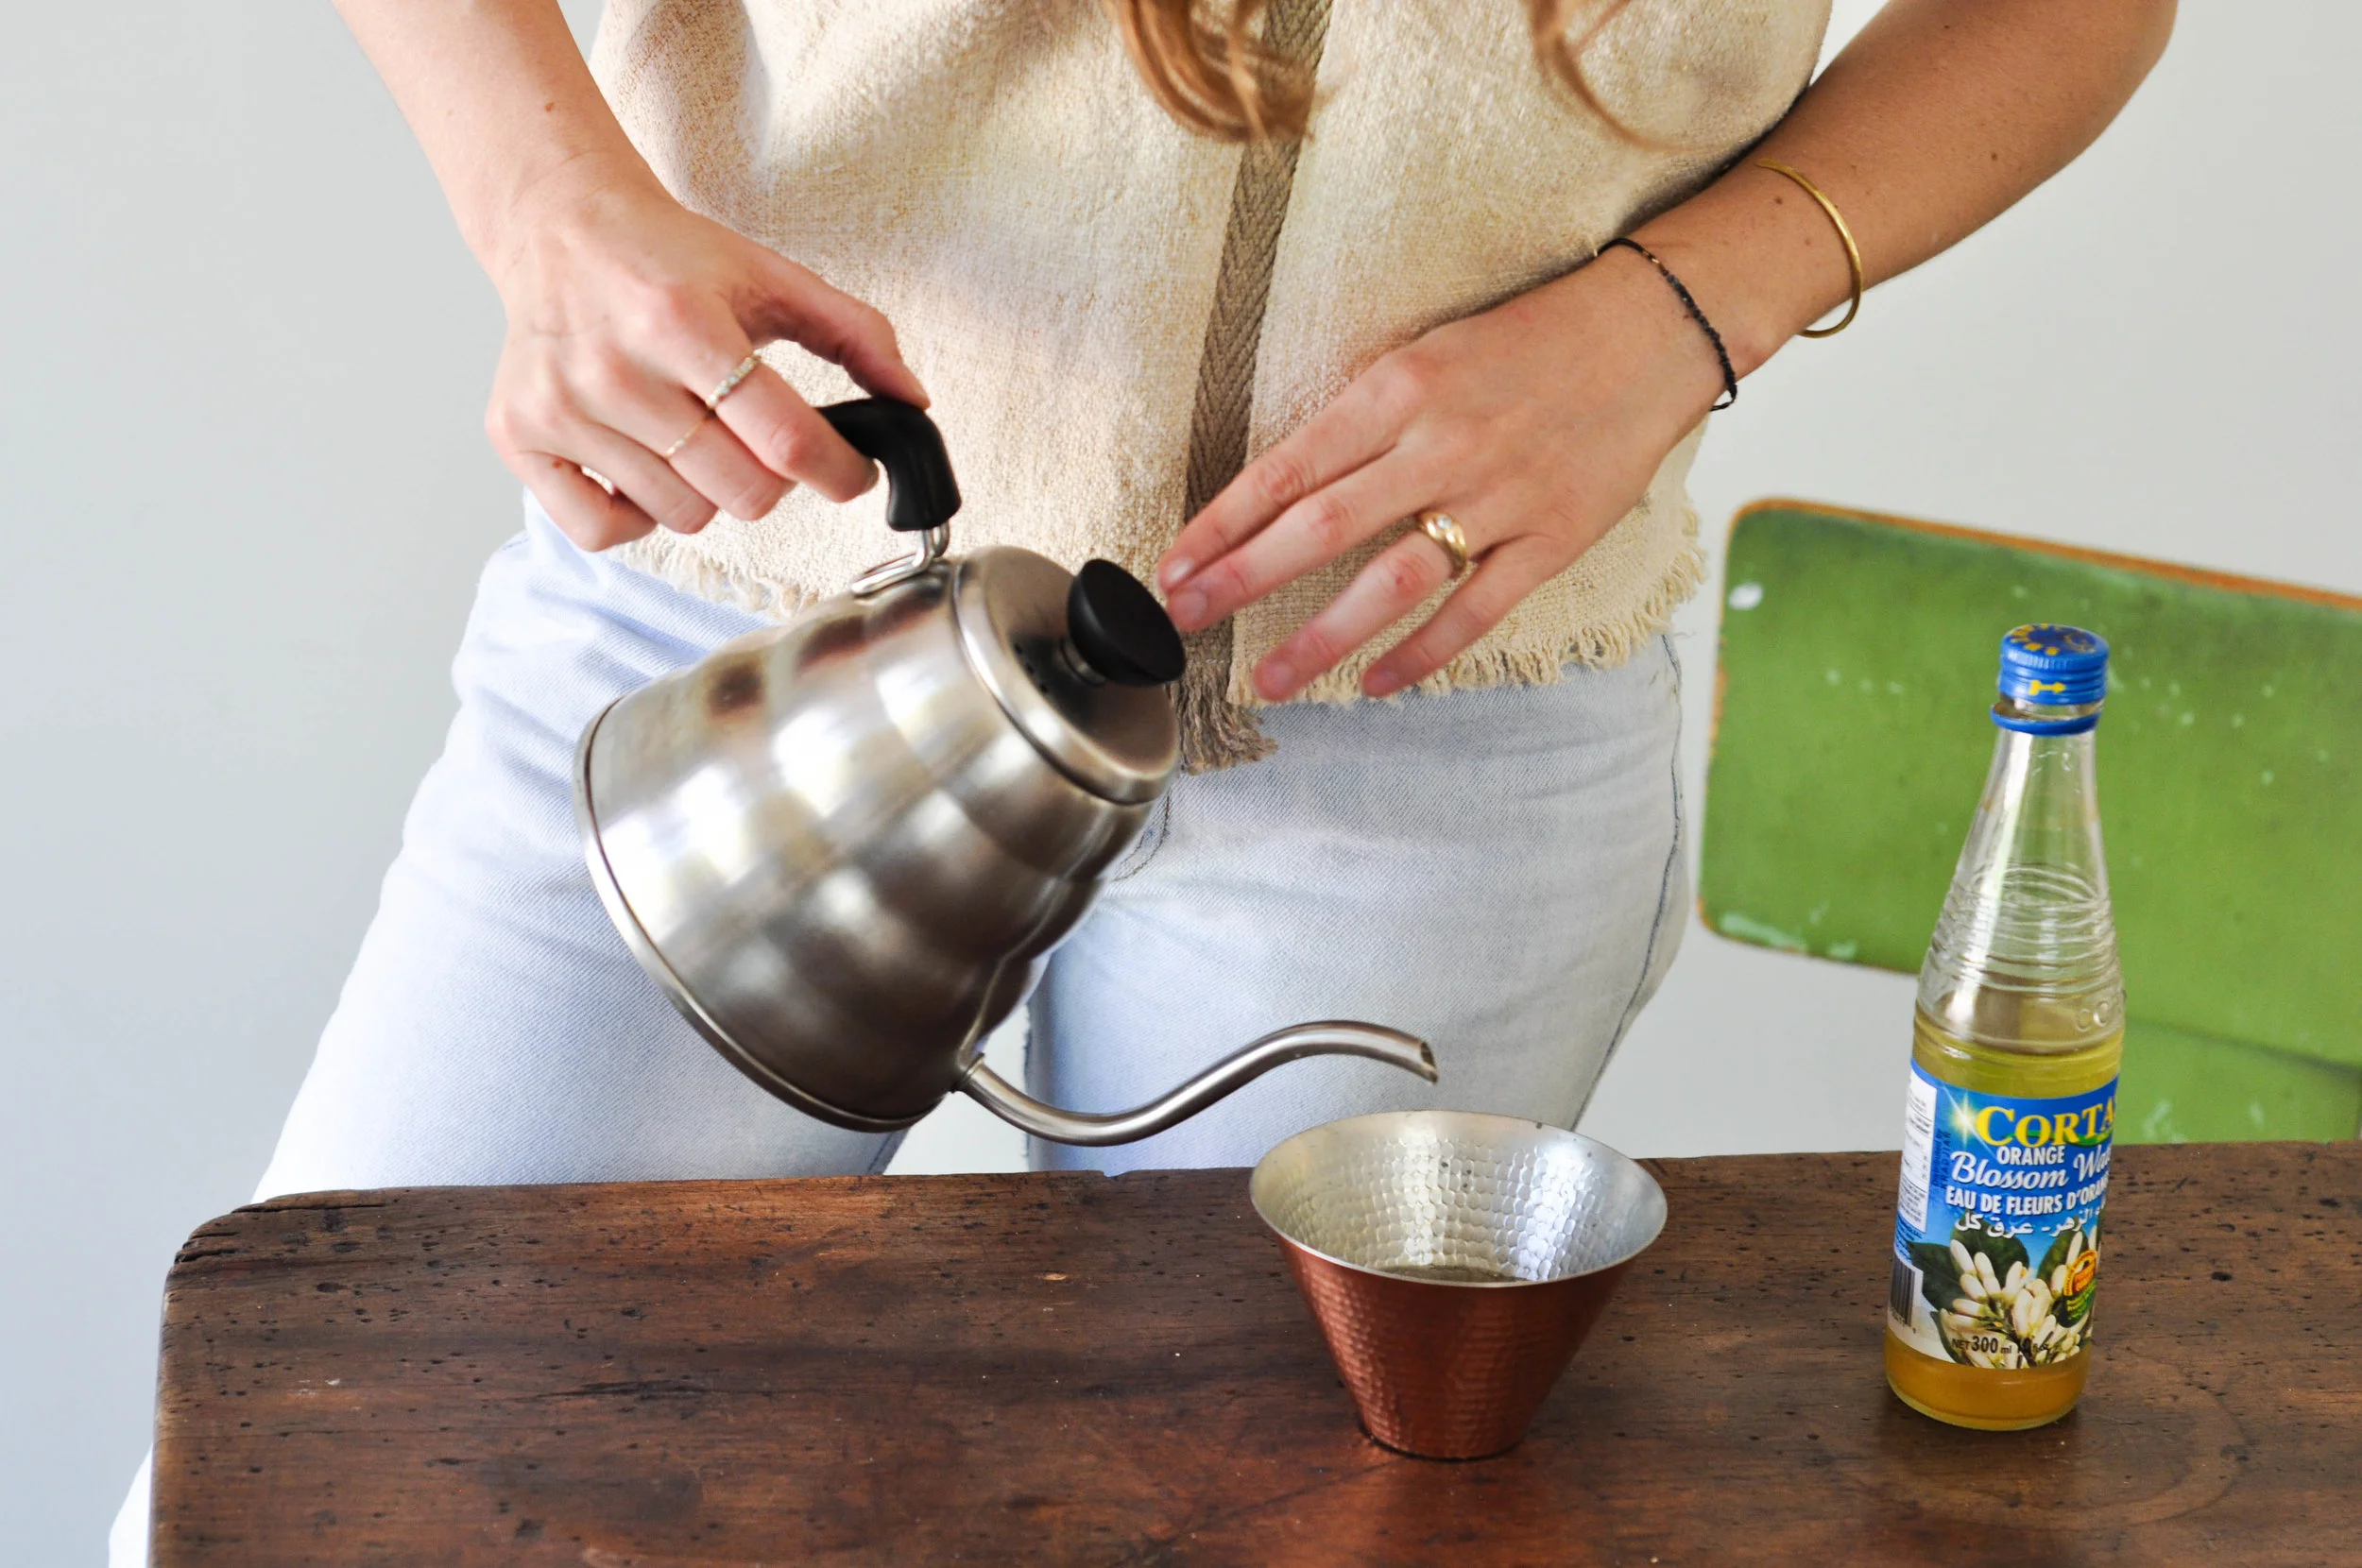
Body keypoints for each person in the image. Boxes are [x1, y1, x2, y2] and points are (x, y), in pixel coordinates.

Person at [114, 0, 2173, 1557]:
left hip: (1431, 706)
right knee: (340, 1472)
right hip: (752, 602)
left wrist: (1670, 320)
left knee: (1263, 1514)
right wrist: (544, 202)